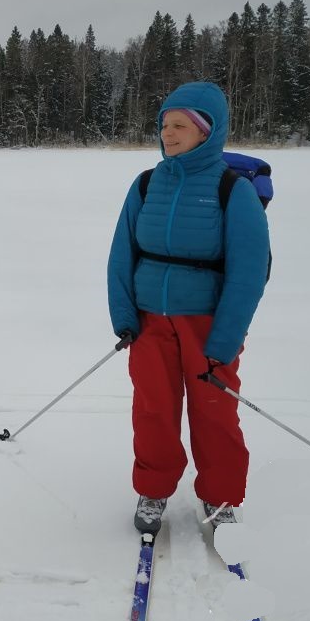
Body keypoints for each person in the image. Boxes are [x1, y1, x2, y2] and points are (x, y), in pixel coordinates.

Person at [106, 81, 270, 533]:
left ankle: (220, 499)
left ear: (208, 132)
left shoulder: (231, 190)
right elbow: (122, 255)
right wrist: (124, 317)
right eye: (164, 124)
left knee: (214, 413)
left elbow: (249, 272)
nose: (168, 134)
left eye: (180, 126)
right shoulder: (145, 185)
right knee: (153, 409)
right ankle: (153, 489)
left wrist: (226, 339)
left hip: (208, 324)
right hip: (149, 322)